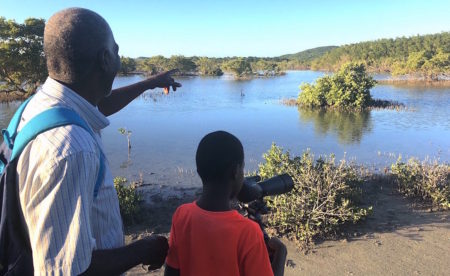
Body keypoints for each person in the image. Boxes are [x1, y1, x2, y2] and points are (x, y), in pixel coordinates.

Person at [15, 8, 181, 275]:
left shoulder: (41, 106)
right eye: (116, 51)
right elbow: (65, 270)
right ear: (105, 58)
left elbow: (98, 106)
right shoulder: (72, 149)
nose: (118, 58)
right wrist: (141, 250)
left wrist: (150, 83)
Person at [164, 131, 287, 276]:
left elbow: (171, 272)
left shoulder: (182, 215)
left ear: (198, 171)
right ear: (235, 172)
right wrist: (280, 255)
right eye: (242, 168)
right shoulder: (248, 232)